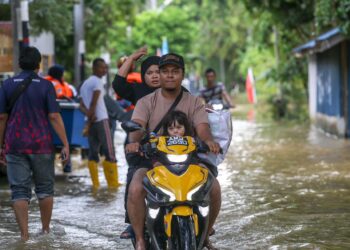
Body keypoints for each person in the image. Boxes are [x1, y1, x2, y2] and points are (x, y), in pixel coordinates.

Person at [125, 53, 221, 250]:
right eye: (165, 71)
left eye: (175, 71)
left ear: (182, 75)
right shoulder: (146, 102)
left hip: (188, 160)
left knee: (214, 187)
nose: (170, 75)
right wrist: (133, 142)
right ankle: (140, 240)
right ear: (159, 74)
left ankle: (205, 236)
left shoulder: (194, 102)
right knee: (135, 187)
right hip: (152, 160)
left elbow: (202, 127)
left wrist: (209, 140)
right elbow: (136, 126)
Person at [0, 46, 69, 241]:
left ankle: (24, 235)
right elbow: (54, 116)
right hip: (42, 145)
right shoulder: (46, 85)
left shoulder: (8, 84)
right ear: (39, 64)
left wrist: (1, 145)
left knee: (19, 191)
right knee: (45, 189)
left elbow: (2, 118)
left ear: (19, 63)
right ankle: (45, 231)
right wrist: (65, 143)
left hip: (15, 144)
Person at [112, 47, 161, 239]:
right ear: (143, 76)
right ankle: (133, 223)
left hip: (170, 146)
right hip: (140, 144)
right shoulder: (138, 90)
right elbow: (118, 84)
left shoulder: (177, 91)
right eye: (149, 73)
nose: (155, 76)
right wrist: (131, 58)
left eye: (158, 72)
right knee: (134, 177)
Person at [79, 58, 120, 189]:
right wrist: (92, 114)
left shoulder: (85, 83)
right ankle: (113, 184)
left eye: (106, 68)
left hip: (90, 121)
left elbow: (80, 105)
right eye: (102, 67)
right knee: (109, 151)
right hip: (101, 120)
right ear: (94, 68)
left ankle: (95, 185)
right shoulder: (97, 82)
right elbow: (94, 102)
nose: (105, 70)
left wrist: (88, 116)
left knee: (93, 152)